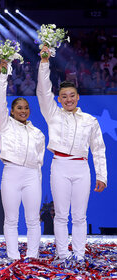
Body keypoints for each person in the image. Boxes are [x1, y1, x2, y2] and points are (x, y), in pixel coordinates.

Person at [36, 46, 107, 262]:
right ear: (58, 99)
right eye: (64, 96)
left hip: (81, 168)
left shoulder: (90, 121)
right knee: (60, 215)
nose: (68, 99)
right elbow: (42, 90)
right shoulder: (53, 114)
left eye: (72, 96)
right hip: (60, 166)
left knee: (79, 216)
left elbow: (99, 149)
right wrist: (45, 62)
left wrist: (102, 175)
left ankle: (78, 254)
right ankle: (63, 253)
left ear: (78, 97)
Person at [0, 60, 45, 260]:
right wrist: (3, 74)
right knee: (11, 219)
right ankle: (13, 256)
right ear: (12, 111)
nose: (23, 110)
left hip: (32, 176)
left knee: (33, 219)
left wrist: (37, 180)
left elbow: (39, 161)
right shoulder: (4, 125)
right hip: (11, 173)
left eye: (26, 108)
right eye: (19, 108)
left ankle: (32, 256)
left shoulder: (38, 133)